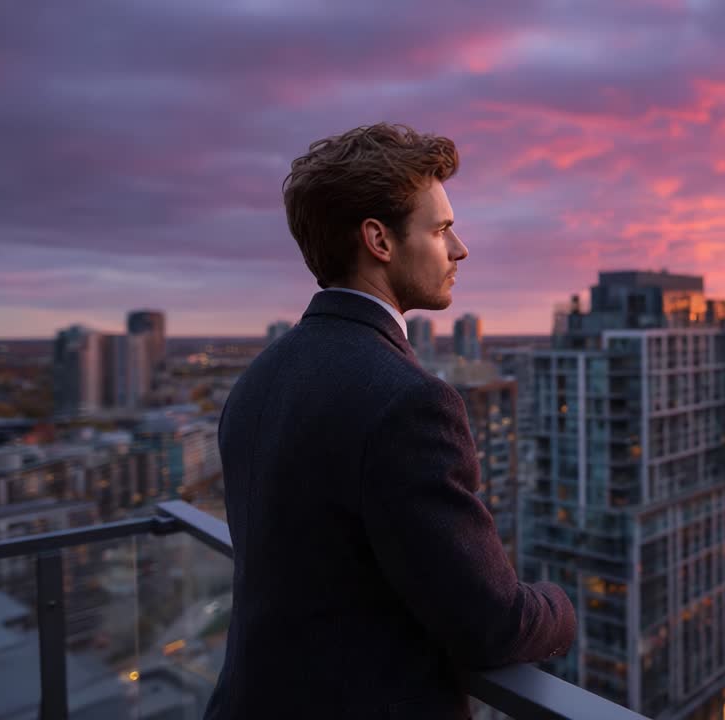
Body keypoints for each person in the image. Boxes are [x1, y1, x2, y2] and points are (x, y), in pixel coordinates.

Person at [203, 123, 576, 719]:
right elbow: (492, 624)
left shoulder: (260, 377)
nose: (460, 249)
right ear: (379, 239)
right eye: (442, 229)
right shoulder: (408, 402)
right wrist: (563, 606)